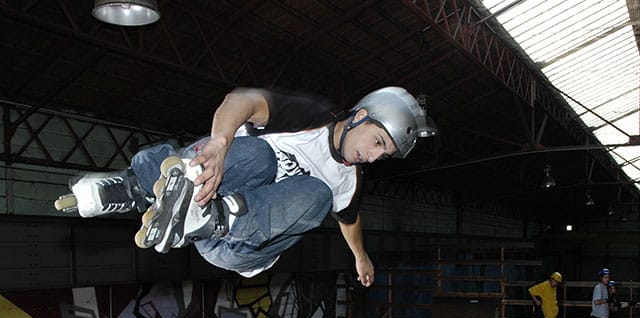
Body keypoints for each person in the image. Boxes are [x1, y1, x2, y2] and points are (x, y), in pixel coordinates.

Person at [59, 86, 434, 283]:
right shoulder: (310, 117)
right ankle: (129, 189)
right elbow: (242, 100)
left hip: (238, 244)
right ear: (361, 117)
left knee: (317, 194)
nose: (371, 157)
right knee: (259, 155)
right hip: (208, 186)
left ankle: (207, 218)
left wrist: (361, 257)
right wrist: (220, 143)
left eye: (381, 156)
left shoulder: (347, 182)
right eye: (377, 143)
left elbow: (349, 220)